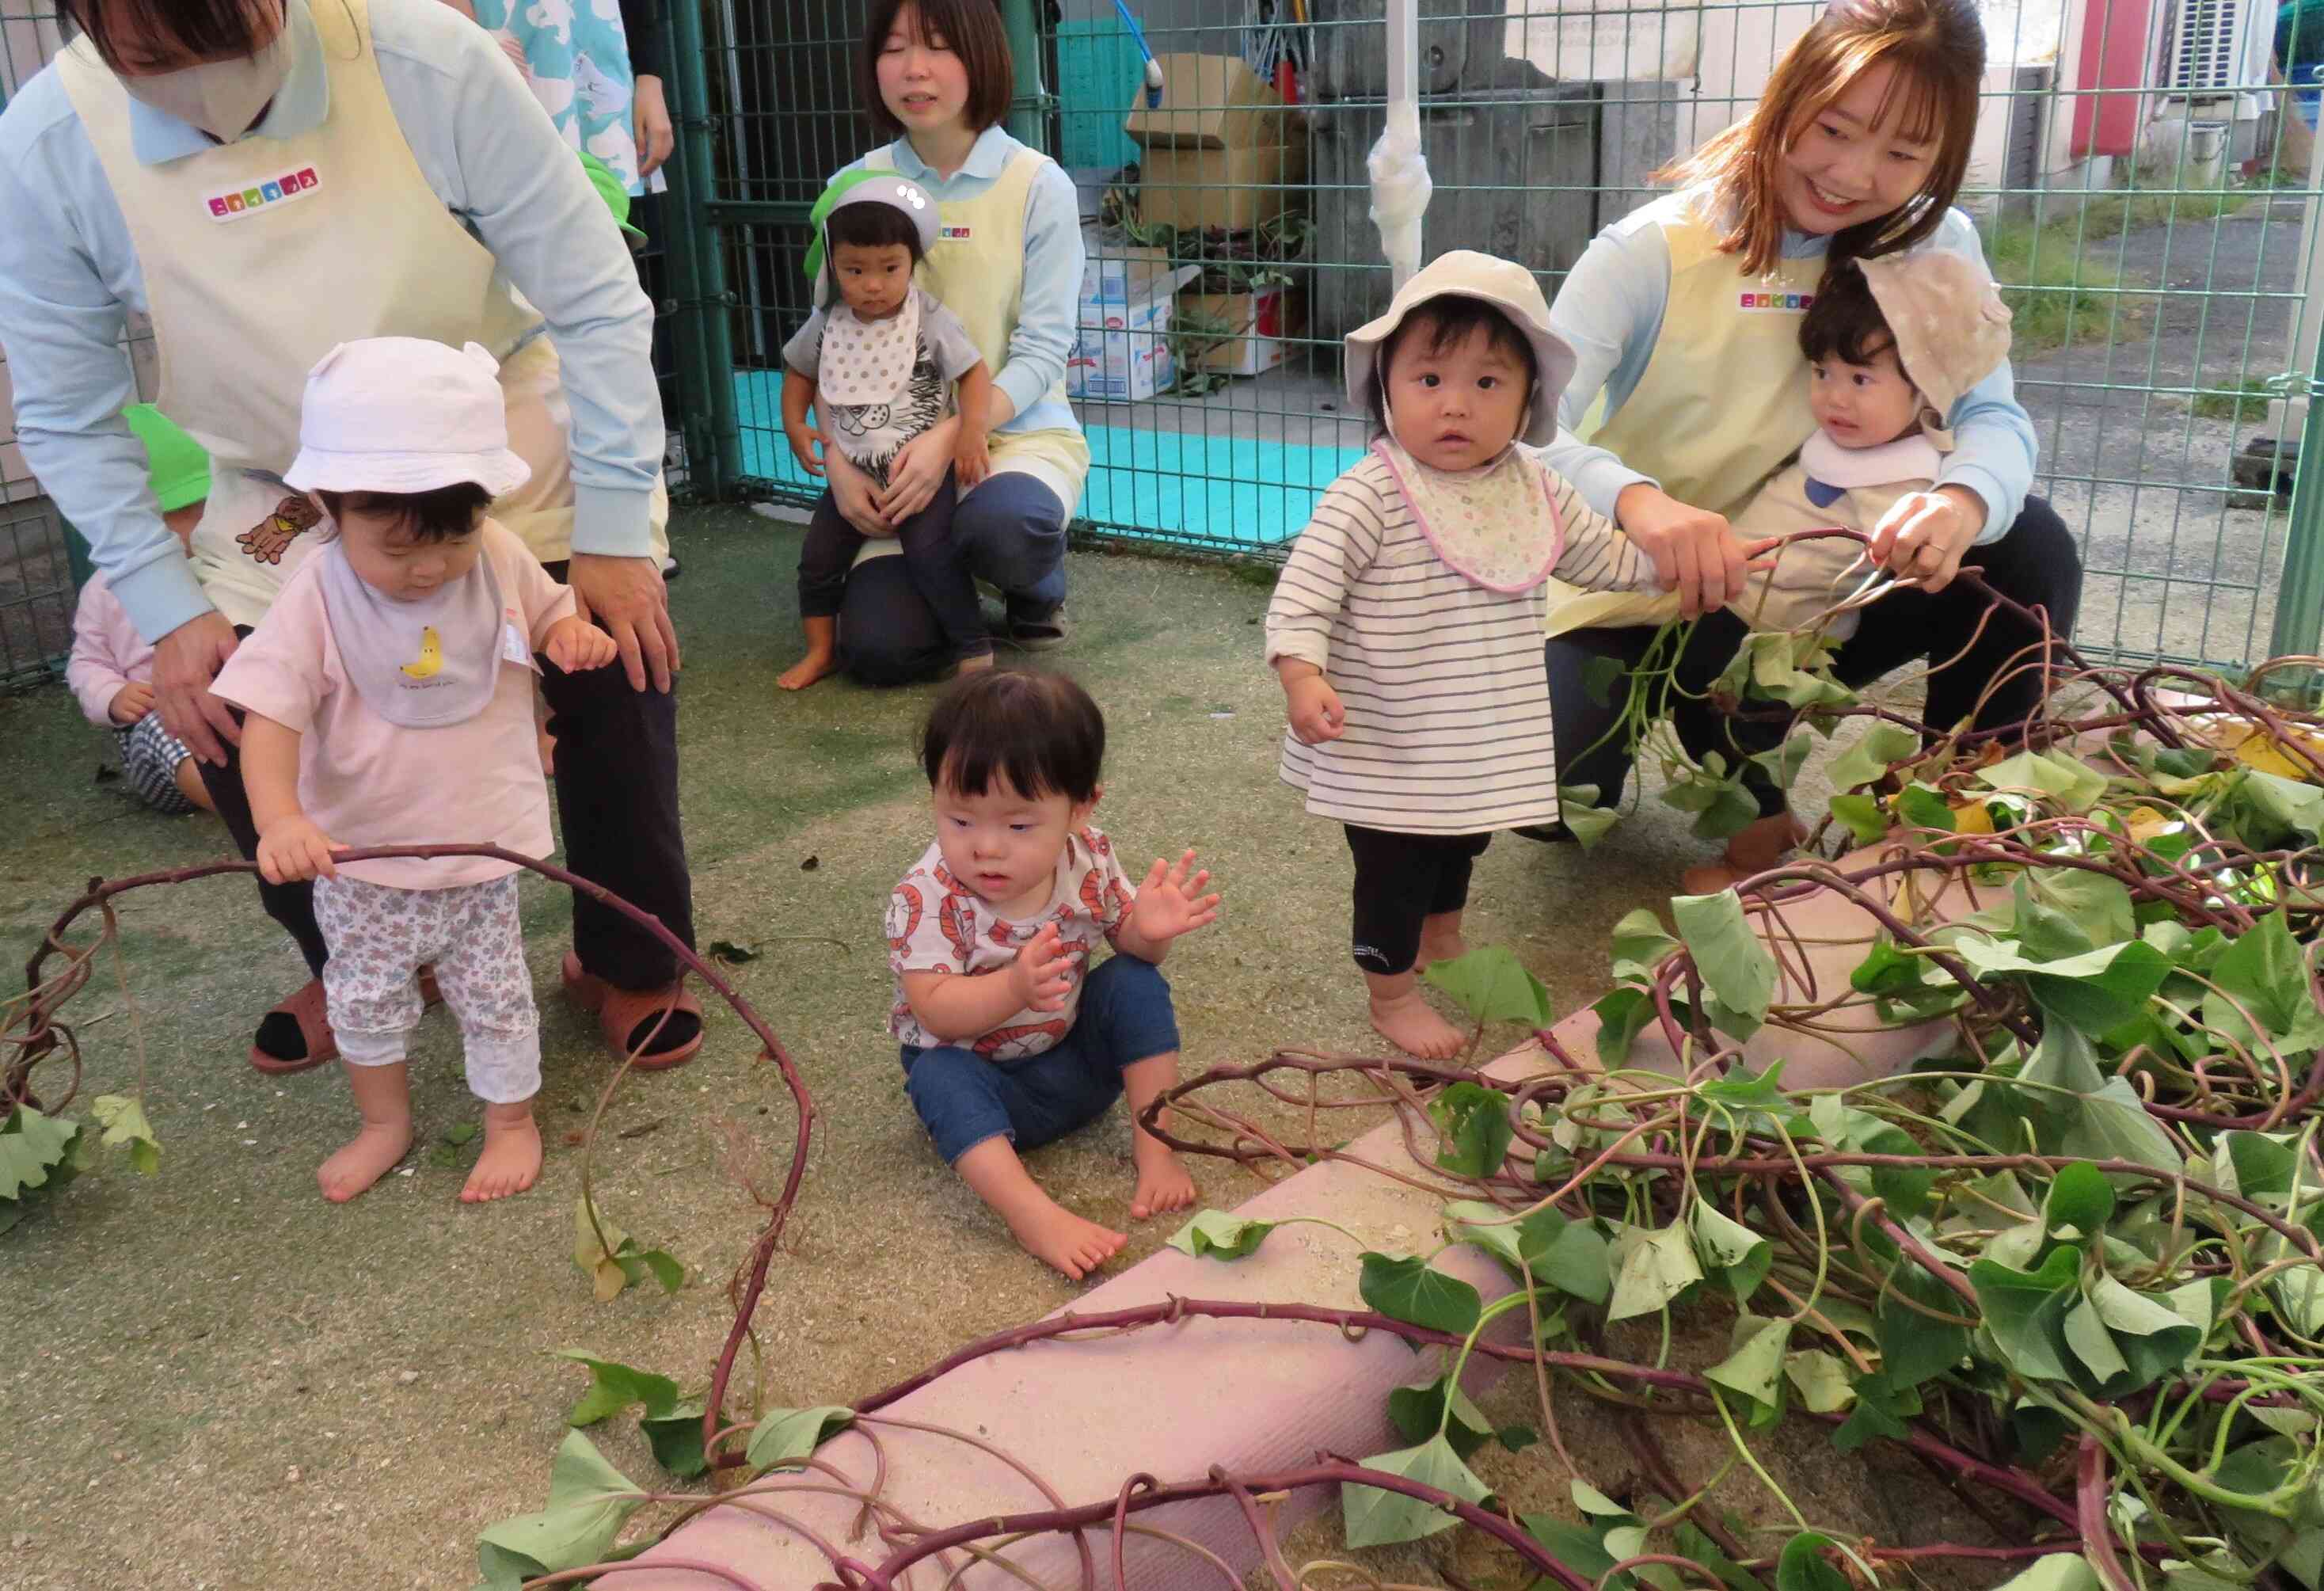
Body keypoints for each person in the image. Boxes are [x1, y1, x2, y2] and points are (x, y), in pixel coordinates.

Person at [0, 0, 702, 1076]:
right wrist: (165, 607)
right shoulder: (50, 143)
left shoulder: (426, 56)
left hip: (487, 417)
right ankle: (358, 957)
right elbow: (62, 407)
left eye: (231, 41)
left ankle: (627, 956)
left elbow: (595, 298)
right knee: (229, 706)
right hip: (280, 474)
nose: (207, 88)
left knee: (612, 654)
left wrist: (615, 524)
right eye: (153, 58)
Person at [1534, 0, 2082, 893]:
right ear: (1788, 94)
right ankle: (1727, 763)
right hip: (1654, 590)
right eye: (1835, 127)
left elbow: (1996, 420)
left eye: (1904, 154)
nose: (1854, 174)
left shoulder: (1936, 246)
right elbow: (1531, 426)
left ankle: (1956, 804)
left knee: (2026, 545)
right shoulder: (1651, 250)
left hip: (1833, 581)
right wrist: (1641, 502)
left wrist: (1961, 499)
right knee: (1551, 804)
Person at [214, 338, 620, 1204]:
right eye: (397, 551)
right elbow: (270, 715)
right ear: (330, 508)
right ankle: (383, 1121)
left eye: (452, 538)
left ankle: (511, 1120)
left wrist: (566, 634)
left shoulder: (498, 552)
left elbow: (547, 610)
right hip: (361, 858)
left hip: (481, 844)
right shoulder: (317, 591)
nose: (429, 567)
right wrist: (281, 817)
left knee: (496, 993)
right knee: (361, 997)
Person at [1266, 253, 1695, 1061]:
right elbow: (1303, 594)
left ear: (1530, 400)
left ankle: (1443, 936)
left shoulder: (1536, 486)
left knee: (1463, 844)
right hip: (1386, 742)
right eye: (1429, 380)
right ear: (1385, 387)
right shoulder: (1371, 491)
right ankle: (1390, 993)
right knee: (1393, 868)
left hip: (1479, 738)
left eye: (1487, 384)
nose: (1455, 404)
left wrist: (1673, 571)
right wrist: (1302, 672)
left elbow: (1603, 559)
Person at [886, 671, 1219, 1280]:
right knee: (934, 1073)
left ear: (1080, 806)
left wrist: (1151, 930)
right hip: (985, 1088)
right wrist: (1013, 986)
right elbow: (932, 1008)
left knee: (1133, 982)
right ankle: (1031, 1214)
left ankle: (1157, 1147)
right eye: (960, 819)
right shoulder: (927, 894)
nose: (986, 847)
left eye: (1017, 826)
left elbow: (1131, 949)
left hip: (1074, 1066)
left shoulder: (1087, 856)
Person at [818, 0, 1090, 684]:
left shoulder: (1038, 184)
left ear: (982, 58)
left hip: (1010, 436)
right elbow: (827, 347)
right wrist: (843, 466)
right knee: (880, 652)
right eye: (894, 48)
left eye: (938, 46)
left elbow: (1043, 350)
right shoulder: (848, 189)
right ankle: (941, 586)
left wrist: (953, 433)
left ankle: (1033, 581)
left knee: (1006, 528)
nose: (914, 69)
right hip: (889, 457)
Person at [1726, 249, 2015, 638]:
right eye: (1822, 372)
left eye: (1860, 380)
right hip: (1728, 591)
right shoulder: (1842, 438)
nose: (1835, 398)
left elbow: (1907, 557)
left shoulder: (1905, 480)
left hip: (1775, 632)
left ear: (1927, 389)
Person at [779, 173, 995, 688]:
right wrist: (794, 424)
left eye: (889, 268)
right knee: (816, 561)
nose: (872, 284)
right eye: (854, 269)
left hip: (916, 477)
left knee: (930, 555)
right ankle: (821, 649)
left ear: (912, 263)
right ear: (833, 265)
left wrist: (970, 432)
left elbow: (974, 374)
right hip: (853, 475)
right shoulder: (828, 322)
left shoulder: (930, 320)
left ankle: (974, 647)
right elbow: (799, 373)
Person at [67, 405, 218, 816]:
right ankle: (248, 815)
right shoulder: (105, 590)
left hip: (232, 714)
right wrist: (113, 696)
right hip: (161, 732)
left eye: (204, 510)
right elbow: (86, 663)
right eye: (175, 516)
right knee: (163, 729)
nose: (196, 529)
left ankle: (281, 795)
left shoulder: (230, 564)